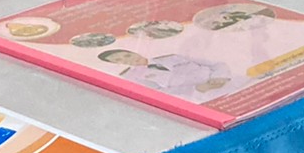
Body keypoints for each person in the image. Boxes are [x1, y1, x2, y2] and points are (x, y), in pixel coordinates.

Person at [99, 49, 233, 95]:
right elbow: (161, 94)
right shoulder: (132, 77)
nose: (128, 60)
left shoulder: (171, 56)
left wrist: (220, 77)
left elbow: (217, 64)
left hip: (229, 82)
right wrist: (199, 89)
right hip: (201, 96)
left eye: (127, 55)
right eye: (119, 60)